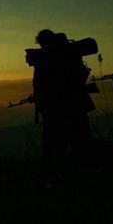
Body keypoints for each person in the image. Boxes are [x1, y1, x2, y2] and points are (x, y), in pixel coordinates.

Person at [29, 30, 93, 163]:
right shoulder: (69, 53)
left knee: (56, 145)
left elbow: (41, 84)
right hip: (75, 104)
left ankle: (58, 168)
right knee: (81, 142)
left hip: (57, 107)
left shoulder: (46, 59)